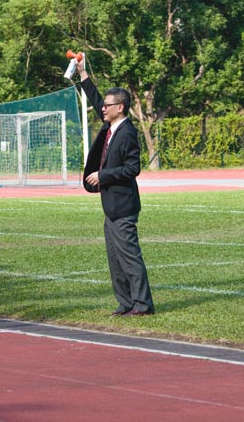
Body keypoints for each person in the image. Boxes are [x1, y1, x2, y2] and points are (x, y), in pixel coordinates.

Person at [78, 56, 154, 317]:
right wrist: (84, 76)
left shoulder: (127, 132)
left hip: (123, 206)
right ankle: (125, 303)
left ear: (120, 107)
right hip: (110, 207)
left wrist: (104, 175)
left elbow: (133, 168)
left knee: (130, 258)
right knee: (115, 260)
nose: (103, 109)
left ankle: (143, 305)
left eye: (108, 106)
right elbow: (98, 101)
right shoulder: (111, 126)